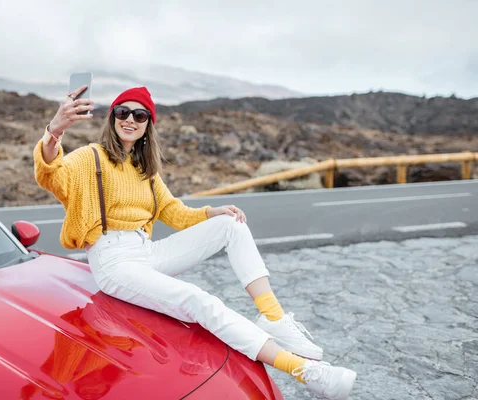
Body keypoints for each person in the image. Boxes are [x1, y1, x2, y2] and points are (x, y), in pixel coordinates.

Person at [33, 85, 357, 399]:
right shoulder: (92, 157)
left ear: (148, 126)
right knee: (199, 301)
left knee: (231, 224)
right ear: (113, 118)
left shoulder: (145, 169)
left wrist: (212, 212)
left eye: (140, 115)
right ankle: (306, 372)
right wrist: (55, 130)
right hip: (113, 260)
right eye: (122, 112)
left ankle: (273, 317)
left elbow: (174, 212)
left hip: (144, 251)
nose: (130, 119)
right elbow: (52, 173)